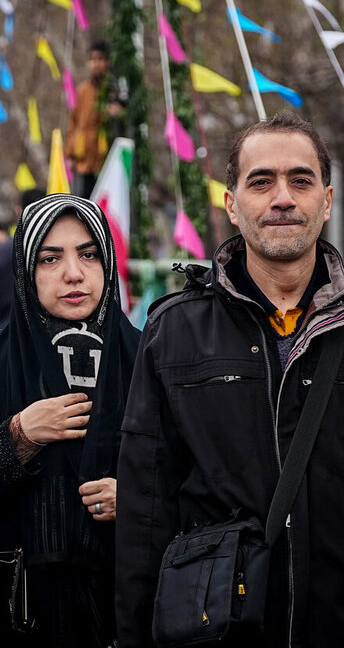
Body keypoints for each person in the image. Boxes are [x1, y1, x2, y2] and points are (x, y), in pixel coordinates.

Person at [116, 111, 342, 647]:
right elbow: (145, 511)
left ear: (327, 201)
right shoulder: (173, 332)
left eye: (301, 180)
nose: (282, 197)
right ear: (232, 205)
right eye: (261, 181)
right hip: (221, 627)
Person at [0, 194, 140, 647]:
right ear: (24, 272)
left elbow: (196, 482)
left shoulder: (148, 357)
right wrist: (18, 437)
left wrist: (138, 500)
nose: (73, 273)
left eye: (89, 254)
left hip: (122, 613)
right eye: (50, 258)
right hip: (8, 617)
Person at [0, 187, 45, 329]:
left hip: (4, 331)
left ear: (19, 211)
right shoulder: (57, 251)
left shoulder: (2, 252)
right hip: (41, 333)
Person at [66, 41, 120, 199]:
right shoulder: (83, 90)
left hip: (105, 160)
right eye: (92, 60)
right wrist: (70, 152)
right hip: (82, 158)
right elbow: (74, 122)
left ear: (108, 62)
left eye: (100, 59)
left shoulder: (113, 89)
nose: (96, 64)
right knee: (82, 203)